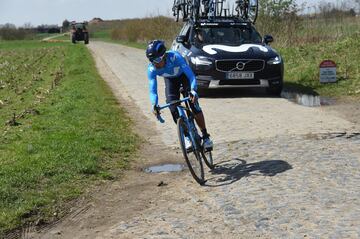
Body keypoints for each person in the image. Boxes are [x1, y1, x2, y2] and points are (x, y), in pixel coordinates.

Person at [146, 40, 213, 150]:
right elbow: (153, 90)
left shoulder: (175, 57)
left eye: (157, 59)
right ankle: (187, 137)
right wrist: (154, 104)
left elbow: (191, 77)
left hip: (184, 77)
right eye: (152, 61)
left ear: (164, 56)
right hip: (171, 81)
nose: (155, 63)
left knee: (193, 104)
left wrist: (193, 91)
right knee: (172, 107)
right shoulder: (152, 69)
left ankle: (205, 137)